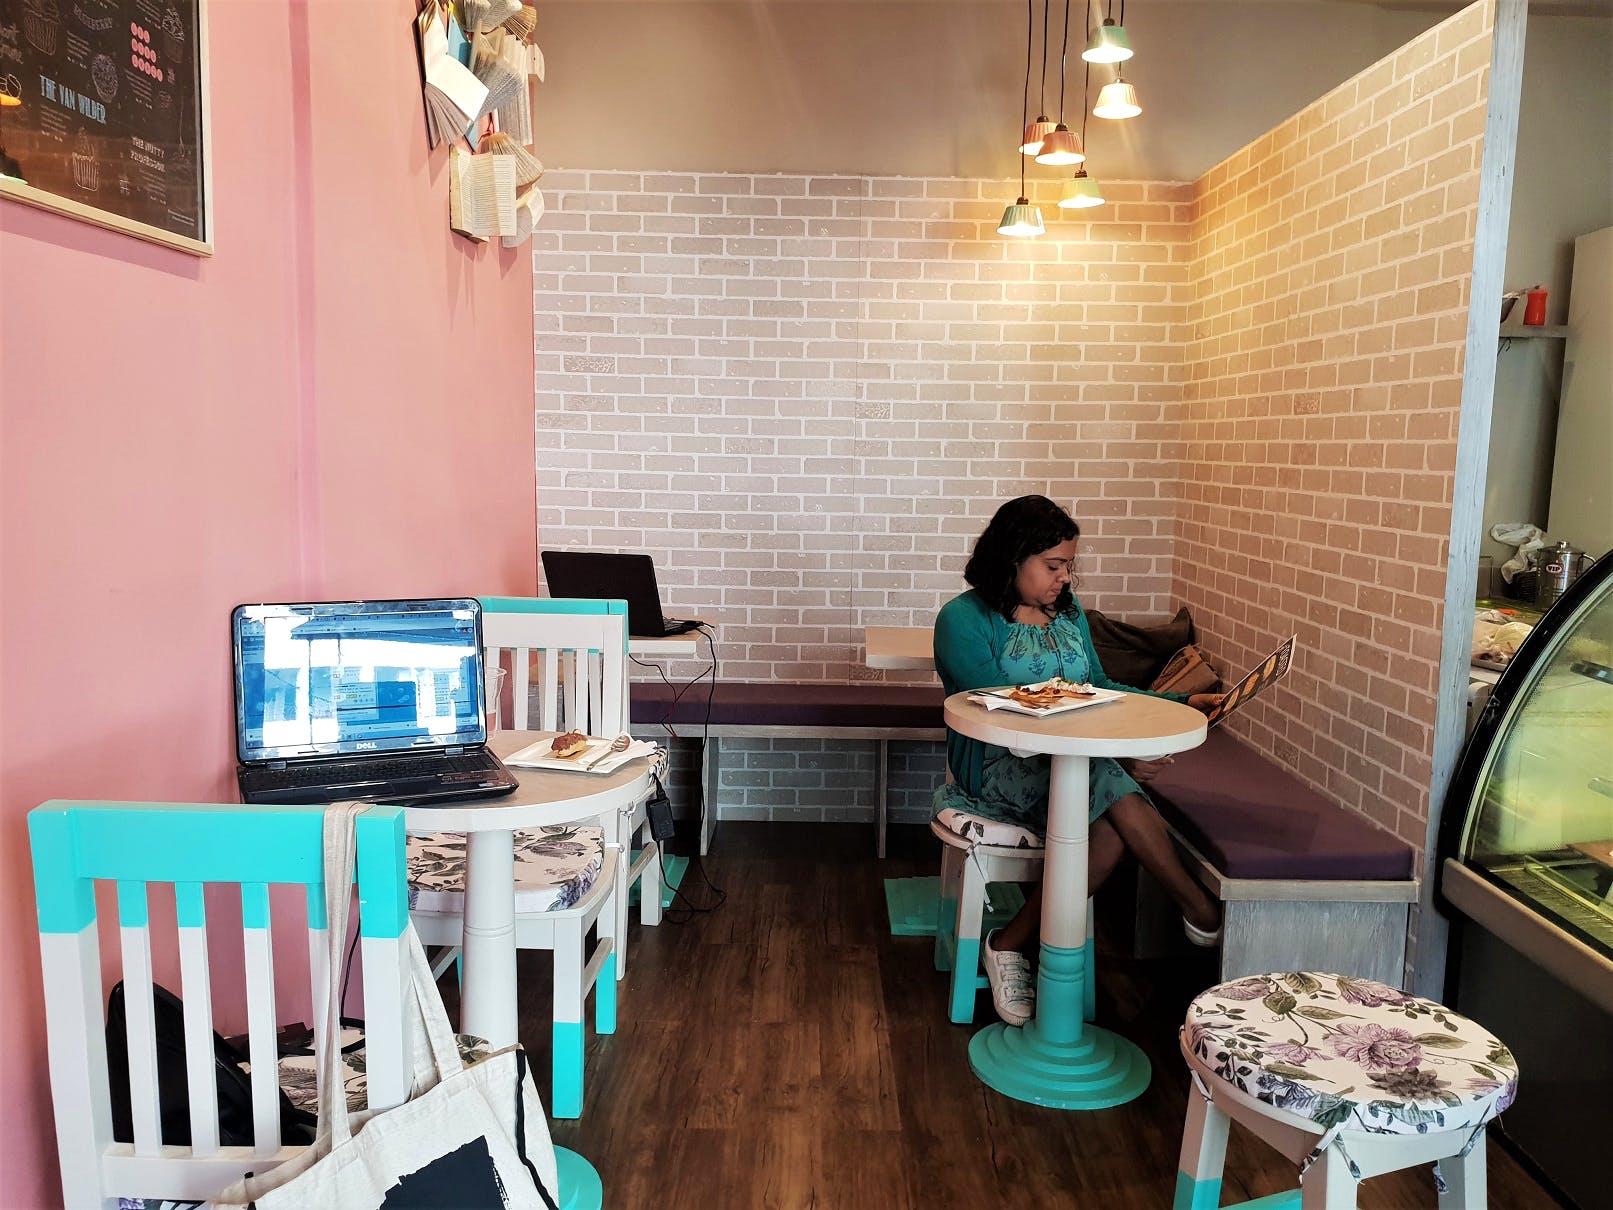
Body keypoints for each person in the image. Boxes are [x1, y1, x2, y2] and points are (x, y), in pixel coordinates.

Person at [933, 494, 1223, 1027]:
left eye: (1069, 565)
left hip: (1079, 765)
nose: (1065, 578)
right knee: (1109, 787)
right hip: (998, 767)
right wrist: (1112, 756)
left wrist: (1182, 703)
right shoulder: (963, 619)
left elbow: (1099, 687)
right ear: (1012, 556)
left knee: (1108, 820)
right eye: (1053, 565)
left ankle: (1008, 944)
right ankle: (1198, 906)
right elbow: (1001, 715)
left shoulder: (1066, 614)